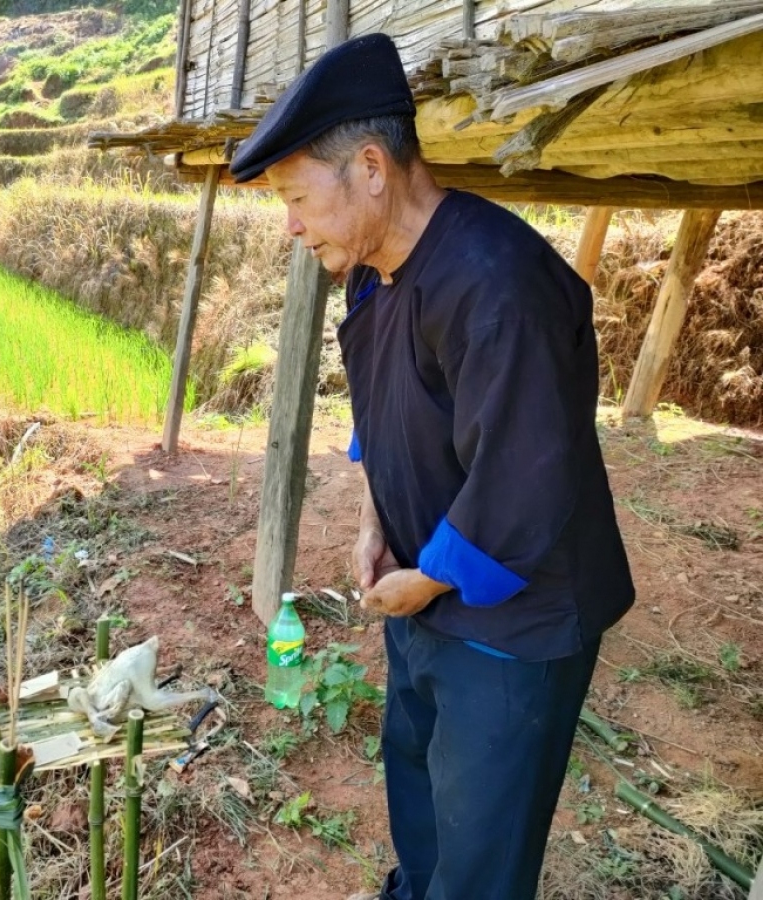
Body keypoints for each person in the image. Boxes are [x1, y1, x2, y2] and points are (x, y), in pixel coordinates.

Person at [229, 33, 635, 900]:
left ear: (371, 168)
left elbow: (525, 481)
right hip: (421, 593)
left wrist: (429, 579)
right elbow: (387, 408)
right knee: (418, 783)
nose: (292, 226)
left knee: (481, 843)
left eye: (298, 198)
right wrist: (378, 519)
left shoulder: (498, 286)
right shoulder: (373, 272)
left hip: (515, 616)